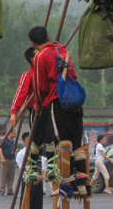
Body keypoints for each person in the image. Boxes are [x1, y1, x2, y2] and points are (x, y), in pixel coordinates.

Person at [29, 25, 88, 198]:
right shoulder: (62, 50)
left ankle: (67, 185)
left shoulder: (40, 57)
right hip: (74, 103)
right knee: (77, 145)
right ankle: (82, 186)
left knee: (62, 142)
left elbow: (39, 87)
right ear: (48, 36)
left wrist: (38, 105)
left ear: (33, 43)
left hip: (57, 103)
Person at [16, 132, 46, 209]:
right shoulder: (21, 154)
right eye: (29, 140)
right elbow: (23, 169)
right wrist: (36, 176)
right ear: (24, 141)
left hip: (39, 181)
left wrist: (41, 175)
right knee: (25, 204)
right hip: (28, 181)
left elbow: (43, 166)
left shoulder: (38, 152)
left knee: (37, 205)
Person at [10, 47, 36, 128]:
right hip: (36, 111)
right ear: (33, 59)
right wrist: (14, 112)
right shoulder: (28, 74)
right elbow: (21, 93)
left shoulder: (47, 70)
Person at [0, 130, 17, 196]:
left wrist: (15, 158)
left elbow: (14, 150)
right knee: (4, 175)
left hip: (12, 159)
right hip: (6, 159)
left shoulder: (13, 141)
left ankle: (9, 189)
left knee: (11, 176)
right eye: (14, 133)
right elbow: (0, 149)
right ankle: (2, 189)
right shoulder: (4, 140)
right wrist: (2, 157)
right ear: (9, 133)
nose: (15, 135)